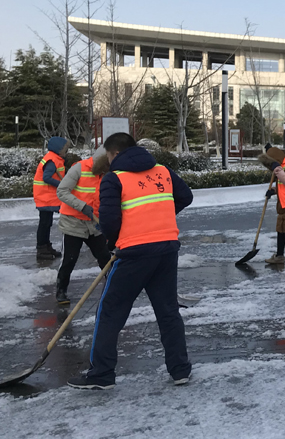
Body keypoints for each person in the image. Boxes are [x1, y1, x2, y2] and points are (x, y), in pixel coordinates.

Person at [68, 133, 193, 390]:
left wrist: (114, 242)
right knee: (168, 311)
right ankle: (180, 370)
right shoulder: (162, 171)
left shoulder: (114, 178)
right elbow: (186, 196)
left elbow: (110, 221)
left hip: (134, 253)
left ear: (114, 153)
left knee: (109, 311)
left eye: (107, 155)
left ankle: (101, 373)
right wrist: (158, 219)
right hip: (167, 249)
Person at [55, 148, 113, 305]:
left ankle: (114, 287)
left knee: (105, 257)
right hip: (73, 222)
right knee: (69, 259)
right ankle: (61, 290)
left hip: (95, 223)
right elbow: (62, 191)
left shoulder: (109, 172)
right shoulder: (79, 168)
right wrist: (82, 206)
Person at [32, 136, 70, 260]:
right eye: (65, 149)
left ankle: (47, 246)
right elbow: (46, 177)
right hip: (45, 197)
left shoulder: (55, 159)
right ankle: (41, 249)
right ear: (58, 149)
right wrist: (61, 185)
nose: (66, 151)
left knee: (47, 223)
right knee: (44, 224)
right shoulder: (52, 161)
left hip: (46, 197)